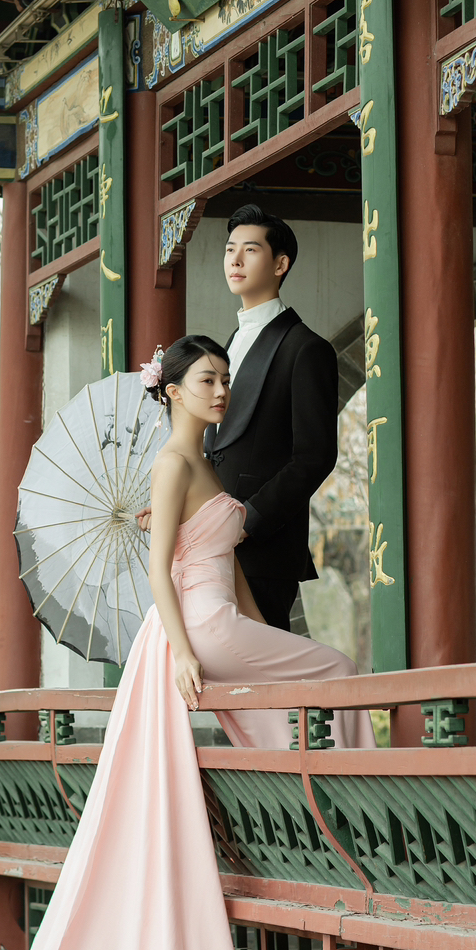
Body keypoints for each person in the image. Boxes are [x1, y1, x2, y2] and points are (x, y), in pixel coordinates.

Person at [0, 336, 372, 950]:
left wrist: (263, 641)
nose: (221, 390)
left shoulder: (204, 465)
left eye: (225, 379)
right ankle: (354, 797)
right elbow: (159, 570)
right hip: (199, 628)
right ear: (171, 390)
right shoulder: (171, 465)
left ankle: (312, 788)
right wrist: (187, 651)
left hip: (222, 623)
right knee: (337, 666)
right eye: (207, 379)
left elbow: (227, 566)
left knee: (311, 676)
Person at [208, 204, 338, 634]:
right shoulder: (230, 343)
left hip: (261, 549)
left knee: (260, 667)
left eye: (250, 250)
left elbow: (314, 457)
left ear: (280, 264)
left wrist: (249, 520)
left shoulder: (306, 349)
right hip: (211, 545)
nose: (235, 260)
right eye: (230, 249)